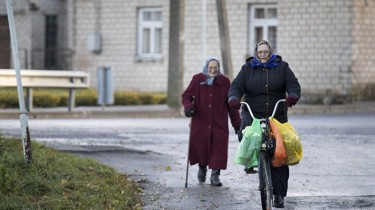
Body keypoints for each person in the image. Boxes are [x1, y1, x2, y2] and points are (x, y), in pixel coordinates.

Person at [228, 40, 301, 208]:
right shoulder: (247, 69)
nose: (263, 54)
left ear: (270, 52)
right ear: (256, 52)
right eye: (260, 52)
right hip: (253, 114)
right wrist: (233, 98)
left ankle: (279, 194)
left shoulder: (282, 66)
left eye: (265, 52)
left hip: (277, 114)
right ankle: (250, 162)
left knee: (280, 152)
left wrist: (292, 96)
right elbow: (235, 86)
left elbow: (293, 84)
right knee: (246, 135)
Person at [181, 58, 241, 187]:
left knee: (218, 149)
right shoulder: (197, 79)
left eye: (216, 68)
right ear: (206, 67)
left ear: (219, 68)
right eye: (210, 68)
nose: (213, 70)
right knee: (202, 148)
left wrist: (237, 124)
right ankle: (202, 167)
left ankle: (215, 175)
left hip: (219, 123)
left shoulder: (224, 82)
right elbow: (186, 96)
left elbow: (231, 104)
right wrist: (188, 108)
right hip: (200, 122)